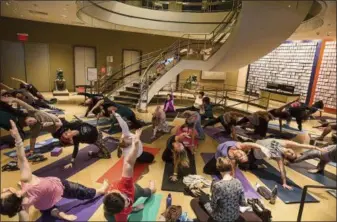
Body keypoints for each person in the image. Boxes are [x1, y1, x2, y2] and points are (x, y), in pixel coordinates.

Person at [0, 120, 110, 221]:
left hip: (43, 203)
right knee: (85, 192)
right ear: (16, 196)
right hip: (61, 187)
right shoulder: (26, 180)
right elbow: (22, 158)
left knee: (47, 209)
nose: (4, 189)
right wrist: (17, 138)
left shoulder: (23, 206)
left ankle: (58, 214)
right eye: (5, 192)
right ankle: (100, 191)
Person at [103, 129, 156, 221]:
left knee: (148, 192)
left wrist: (135, 143)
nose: (128, 202)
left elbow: (128, 163)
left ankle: (151, 189)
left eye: (125, 200)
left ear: (118, 192)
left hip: (134, 191)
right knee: (108, 217)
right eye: (126, 204)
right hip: (114, 210)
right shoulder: (120, 213)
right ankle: (131, 209)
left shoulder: (125, 186)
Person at [251, 134, 325, 190]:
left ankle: (256, 166)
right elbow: (300, 145)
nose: (291, 152)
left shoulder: (278, 156)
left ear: (286, 157)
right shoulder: (285, 143)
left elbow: (282, 170)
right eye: (293, 153)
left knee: (246, 166)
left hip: (253, 154)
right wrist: (316, 148)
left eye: (290, 155)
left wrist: (284, 183)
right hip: (255, 142)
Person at [201, 157, 246, 222]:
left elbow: (213, 206)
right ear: (231, 168)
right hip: (234, 216)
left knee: (203, 198)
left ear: (219, 169)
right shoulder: (238, 182)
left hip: (220, 218)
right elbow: (243, 203)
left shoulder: (218, 185)